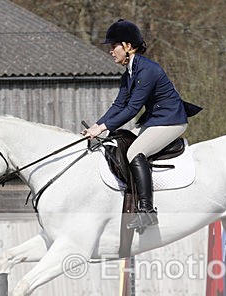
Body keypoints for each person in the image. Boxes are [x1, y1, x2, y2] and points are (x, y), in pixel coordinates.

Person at [82, 19, 200, 231]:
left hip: (171, 121)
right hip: (155, 121)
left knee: (135, 152)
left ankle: (147, 211)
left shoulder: (147, 70)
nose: (111, 51)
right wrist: (96, 126)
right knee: (119, 142)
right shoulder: (129, 73)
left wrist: (102, 128)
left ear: (128, 46)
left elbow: (131, 109)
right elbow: (118, 104)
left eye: (114, 46)